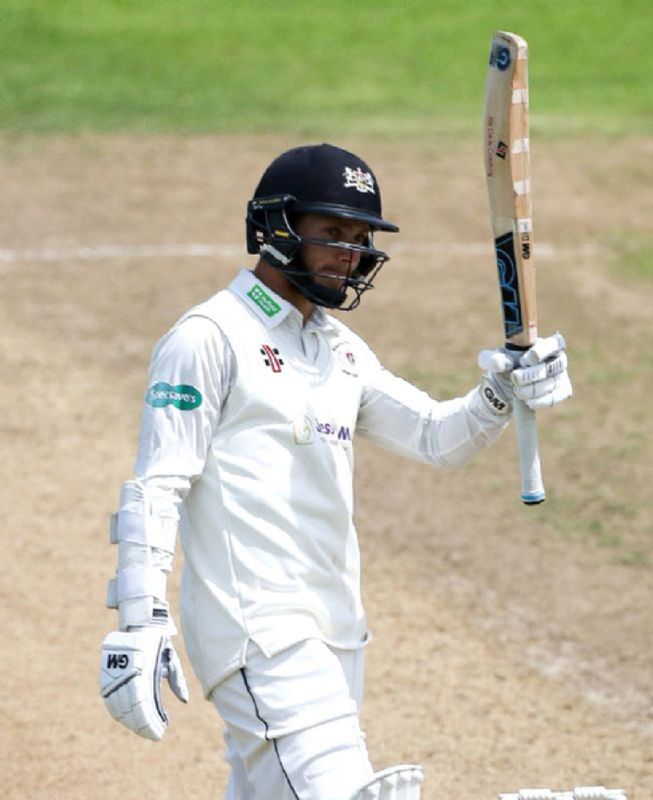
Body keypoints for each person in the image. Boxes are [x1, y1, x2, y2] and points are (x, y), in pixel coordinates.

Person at [99, 143, 572, 800]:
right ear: (276, 225)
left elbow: (437, 438)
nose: (349, 253)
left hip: (337, 634)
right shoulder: (208, 337)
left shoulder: (340, 351)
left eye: (358, 237)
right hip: (257, 630)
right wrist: (139, 618)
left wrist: (501, 391)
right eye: (331, 234)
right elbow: (158, 483)